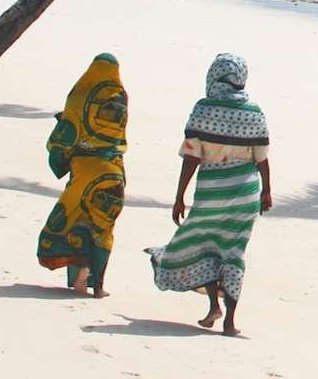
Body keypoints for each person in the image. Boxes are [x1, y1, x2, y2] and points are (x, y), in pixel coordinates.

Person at [147, 53, 273, 337]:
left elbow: (191, 157)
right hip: (245, 194)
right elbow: (262, 157)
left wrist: (179, 196)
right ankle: (229, 321)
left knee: (203, 246)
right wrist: (266, 191)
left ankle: (214, 305)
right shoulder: (253, 112)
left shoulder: (204, 109)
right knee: (233, 252)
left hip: (212, 193)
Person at [37, 53, 128, 298]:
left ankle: (80, 270)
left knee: (73, 218)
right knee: (103, 227)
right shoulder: (120, 97)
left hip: (86, 171)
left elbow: (68, 133)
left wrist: (59, 156)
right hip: (114, 173)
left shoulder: (80, 95)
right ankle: (97, 285)